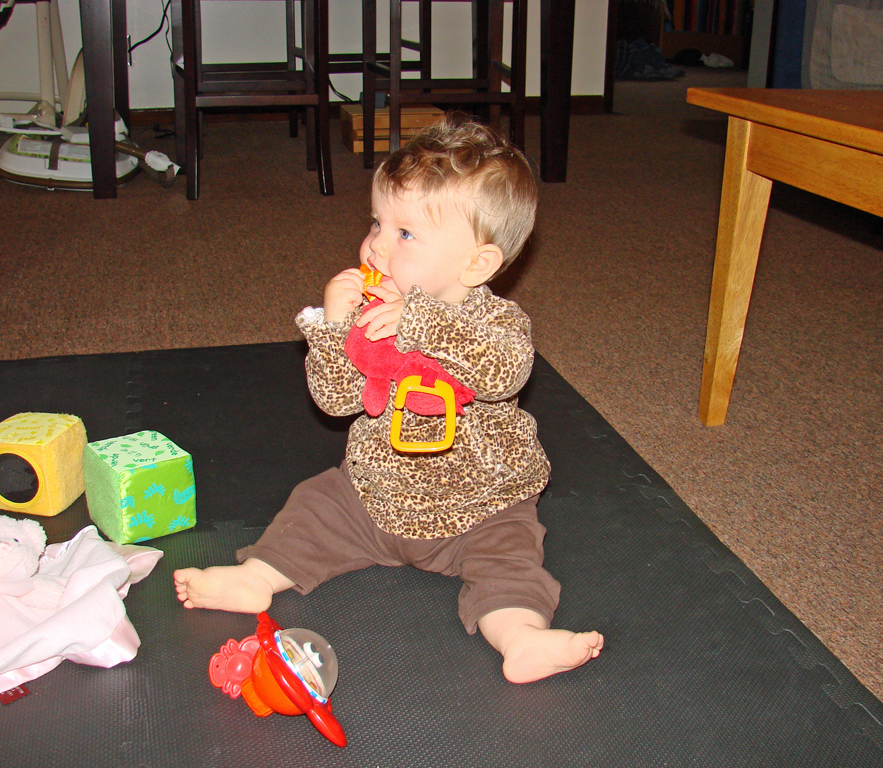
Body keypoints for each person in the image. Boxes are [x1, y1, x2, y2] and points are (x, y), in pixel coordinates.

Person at [174, 115, 603, 684]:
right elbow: (334, 401)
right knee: (313, 506)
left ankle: (520, 637)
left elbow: (506, 370)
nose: (376, 244)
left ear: (477, 263)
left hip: (480, 507)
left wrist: (423, 322)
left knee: (511, 562)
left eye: (404, 234)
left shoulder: (496, 321)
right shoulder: (368, 315)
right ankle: (258, 577)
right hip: (373, 497)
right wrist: (333, 327)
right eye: (376, 222)